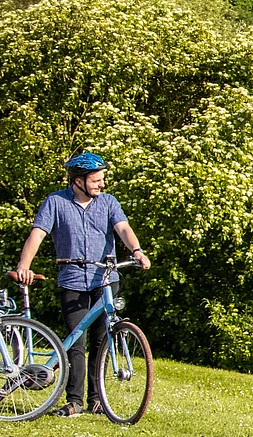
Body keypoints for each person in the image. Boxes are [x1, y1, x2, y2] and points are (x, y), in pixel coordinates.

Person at [11, 151, 151, 415]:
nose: (101, 184)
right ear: (78, 181)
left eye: (101, 179)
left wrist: (137, 250)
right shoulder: (55, 202)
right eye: (96, 180)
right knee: (76, 341)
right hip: (73, 280)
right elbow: (37, 234)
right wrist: (24, 265)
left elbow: (123, 228)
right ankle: (74, 401)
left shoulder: (109, 203)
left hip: (106, 279)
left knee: (101, 341)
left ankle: (96, 400)